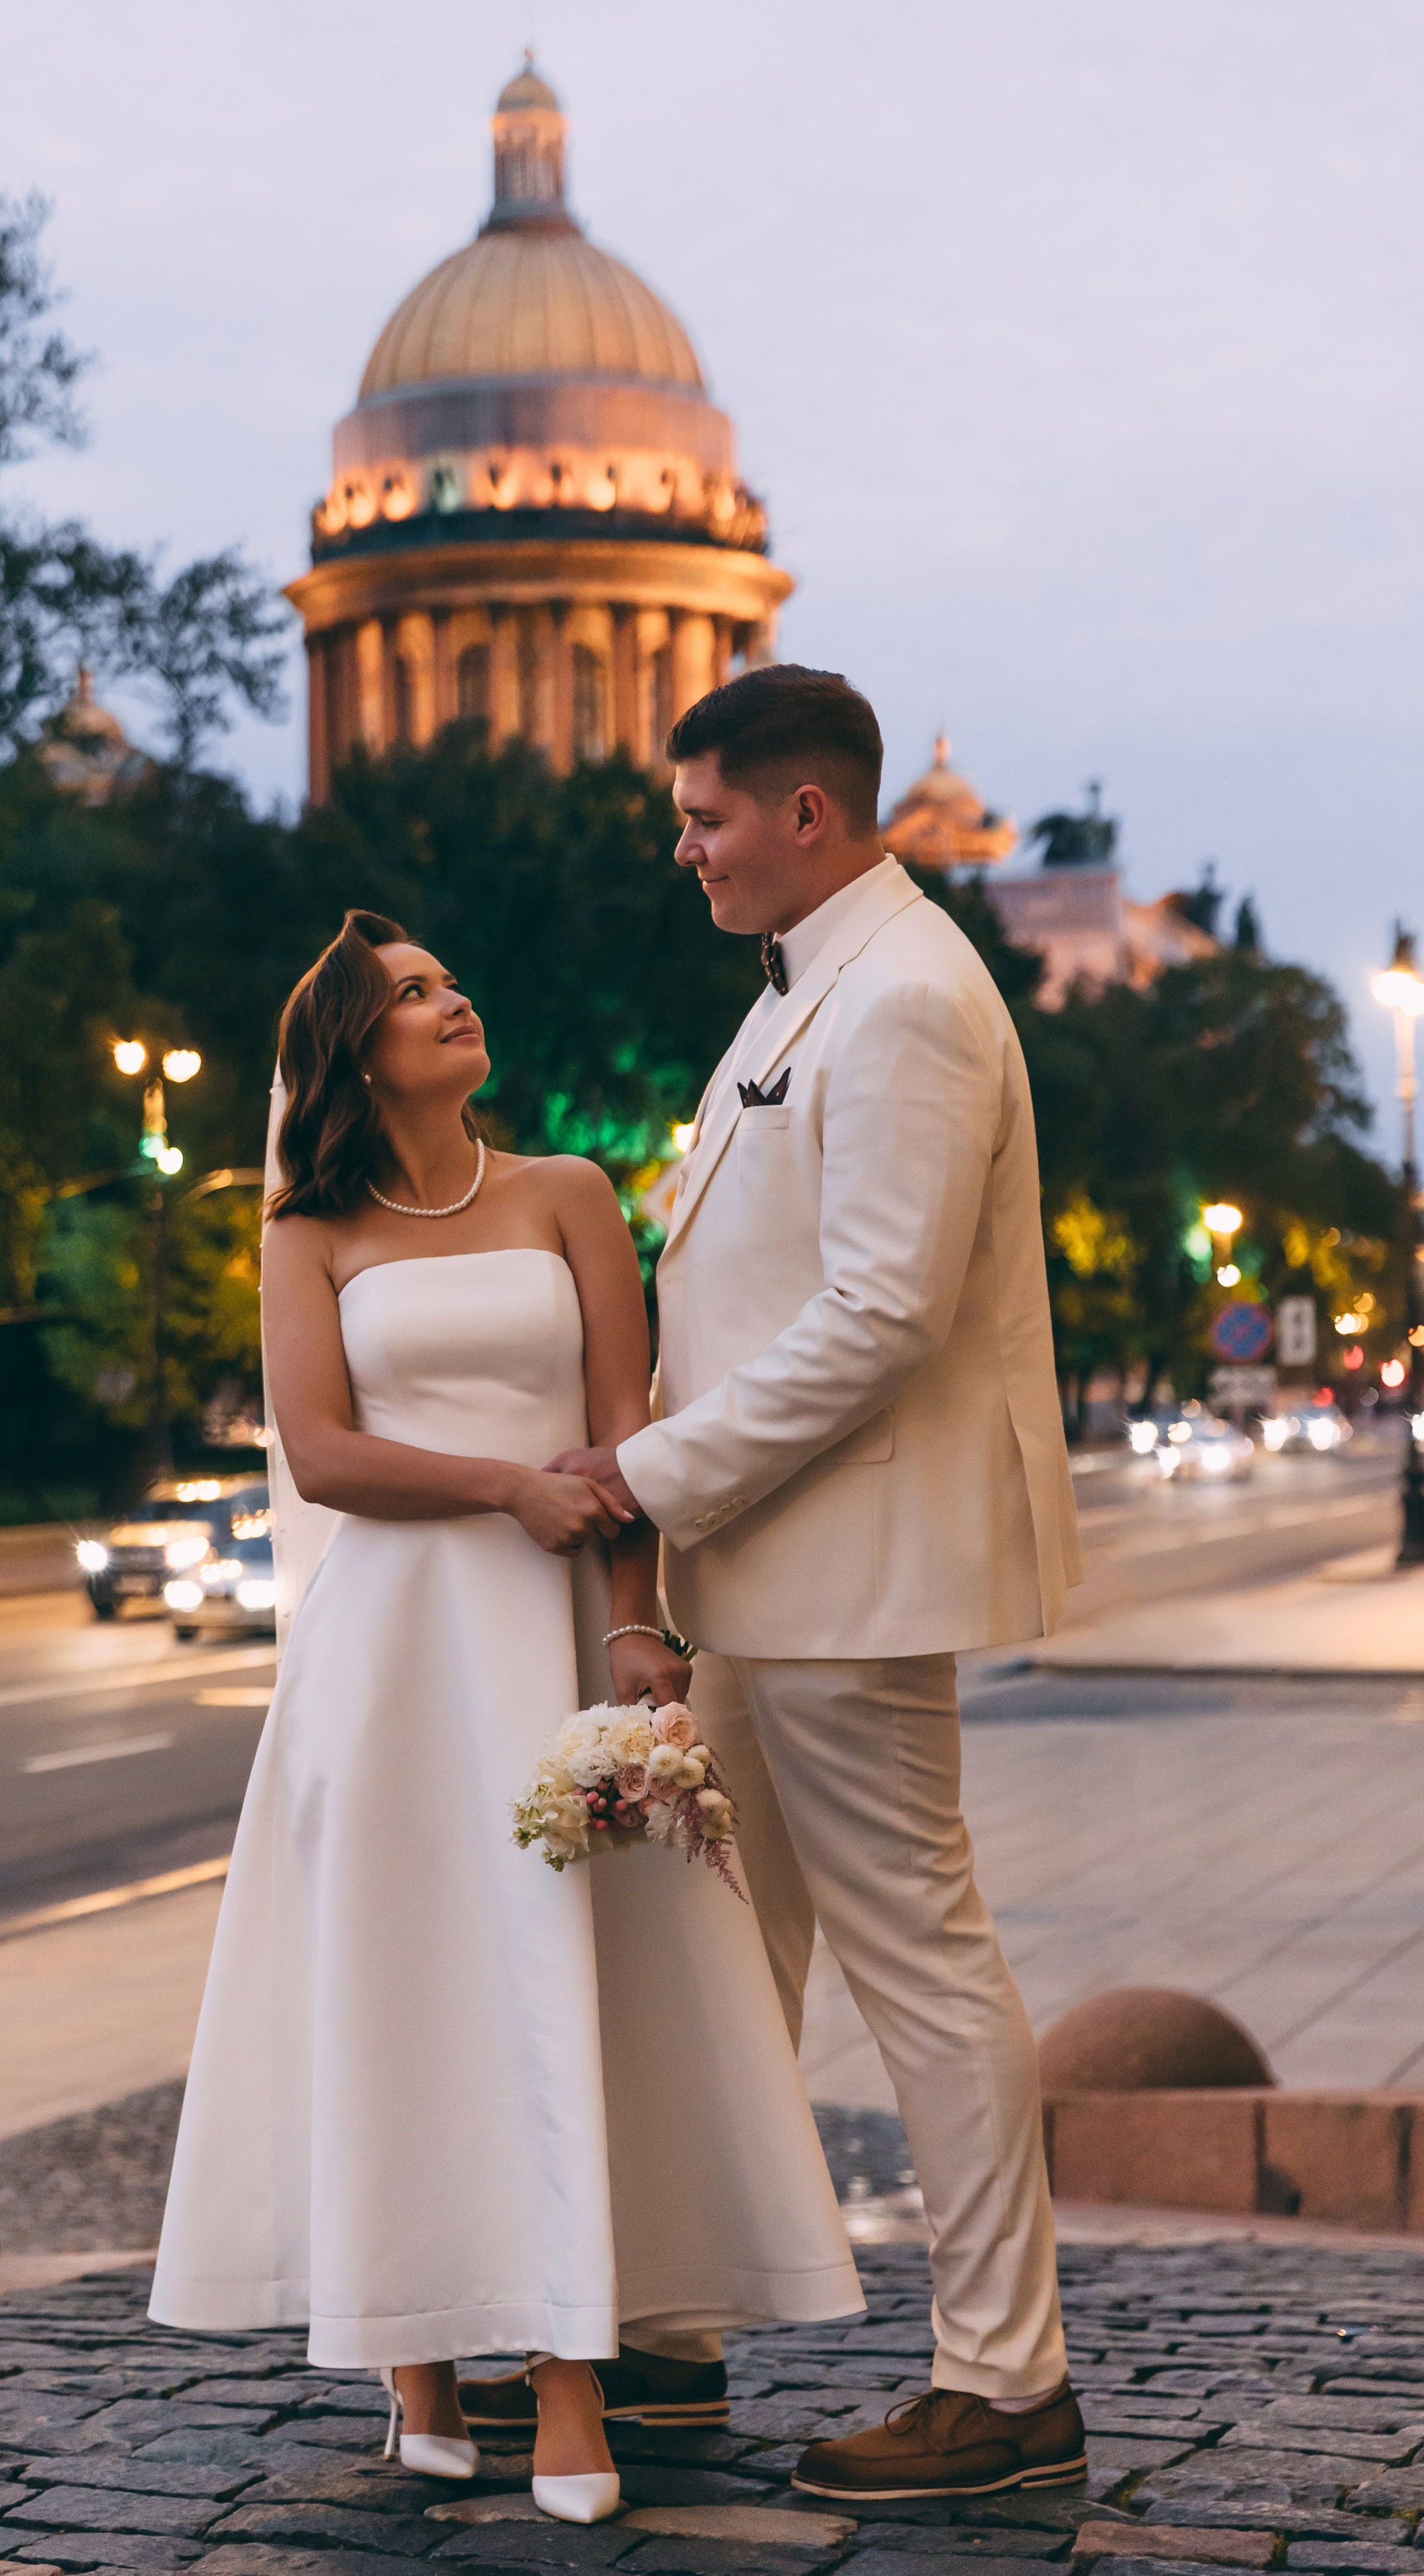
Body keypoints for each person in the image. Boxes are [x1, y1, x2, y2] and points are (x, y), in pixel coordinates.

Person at [148, 910, 863, 2526]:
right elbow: (320, 1451)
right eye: (409, 994)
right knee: (404, 1983)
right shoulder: (304, 1229)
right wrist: (497, 1486)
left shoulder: (565, 1195)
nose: (449, 997)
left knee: (560, 1979)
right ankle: (412, 2354)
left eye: (448, 978)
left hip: (553, 1632)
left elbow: (627, 1426)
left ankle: (562, 2377)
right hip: (391, 1654)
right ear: (356, 1052)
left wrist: (630, 1618)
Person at [547, 665, 1088, 2505]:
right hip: (770, 1572)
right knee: (729, 1951)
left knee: (920, 1967)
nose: (682, 852)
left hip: (846, 1565)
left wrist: (645, 1472)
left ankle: (1007, 2382)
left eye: (703, 819)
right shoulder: (814, 993)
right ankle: (680, 2340)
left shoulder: (911, 999)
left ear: (805, 813)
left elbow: (882, 1313)